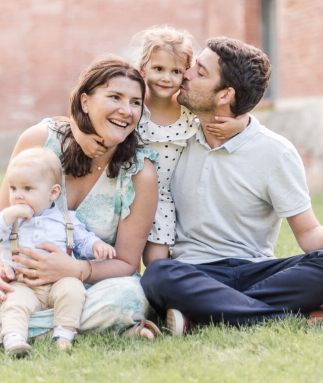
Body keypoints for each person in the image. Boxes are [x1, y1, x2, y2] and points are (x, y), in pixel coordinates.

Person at [141, 37, 323, 334]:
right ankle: (303, 318)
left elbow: (308, 233)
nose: (185, 74)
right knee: (158, 275)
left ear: (225, 95)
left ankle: (202, 314)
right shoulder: (177, 134)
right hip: (193, 271)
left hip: (256, 271)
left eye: (199, 72)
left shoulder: (275, 152)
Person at [0, 56, 161, 346]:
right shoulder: (40, 140)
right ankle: (76, 331)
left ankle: (5, 330)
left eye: (135, 102)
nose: (125, 110)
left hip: (90, 289)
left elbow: (127, 263)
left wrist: (78, 270)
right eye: (115, 97)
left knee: (130, 295)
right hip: (25, 285)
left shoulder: (140, 173)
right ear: (85, 102)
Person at [72, 26, 248, 265]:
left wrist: (240, 124)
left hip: (166, 198)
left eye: (175, 71)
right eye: (158, 69)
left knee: (157, 263)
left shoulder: (188, 110)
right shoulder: (133, 105)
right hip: (126, 192)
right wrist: (81, 136)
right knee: (117, 255)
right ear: (142, 68)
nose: (166, 78)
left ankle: (163, 297)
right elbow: (76, 116)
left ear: (186, 74)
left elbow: (231, 113)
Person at [0, 147, 116, 354]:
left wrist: (97, 246)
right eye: (13, 188)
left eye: (27, 189)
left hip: (59, 282)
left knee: (74, 289)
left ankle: (63, 334)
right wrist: (8, 215)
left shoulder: (66, 219)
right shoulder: (11, 222)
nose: (18, 196)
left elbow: (83, 240)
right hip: (23, 283)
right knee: (13, 301)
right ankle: (14, 338)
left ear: (53, 192)